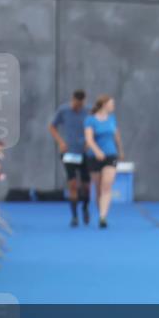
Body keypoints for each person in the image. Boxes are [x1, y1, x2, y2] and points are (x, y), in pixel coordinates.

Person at [49, 90, 91, 227]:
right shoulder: (63, 110)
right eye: (75, 104)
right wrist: (60, 142)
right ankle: (74, 216)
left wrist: (89, 142)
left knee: (86, 186)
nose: (77, 107)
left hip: (84, 153)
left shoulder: (89, 111)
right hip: (69, 152)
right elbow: (52, 126)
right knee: (72, 184)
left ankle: (85, 207)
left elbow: (95, 128)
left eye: (80, 105)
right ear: (72, 99)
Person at [84, 94, 123, 229]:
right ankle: (100, 209)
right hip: (94, 156)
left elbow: (116, 136)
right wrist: (97, 151)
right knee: (98, 187)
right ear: (104, 104)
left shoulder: (112, 119)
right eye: (111, 103)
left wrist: (120, 150)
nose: (113, 106)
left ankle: (103, 216)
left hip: (110, 155)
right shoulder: (90, 120)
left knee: (107, 185)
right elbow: (89, 139)